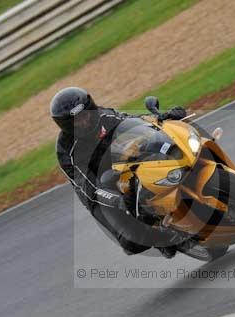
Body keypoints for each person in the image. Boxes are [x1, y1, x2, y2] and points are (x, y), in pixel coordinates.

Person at [51, 87, 187, 258]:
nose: (84, 122)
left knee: (157, 147)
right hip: (97, 189)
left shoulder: (104, 116)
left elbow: (136, 123)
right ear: (66, 126)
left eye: (85, 115)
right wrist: (120, 200)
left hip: (121, 160)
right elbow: (89, 186)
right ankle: (161, 239)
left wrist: (164, 119)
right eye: (77, 122)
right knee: (131, 242)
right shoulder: (66, 151)